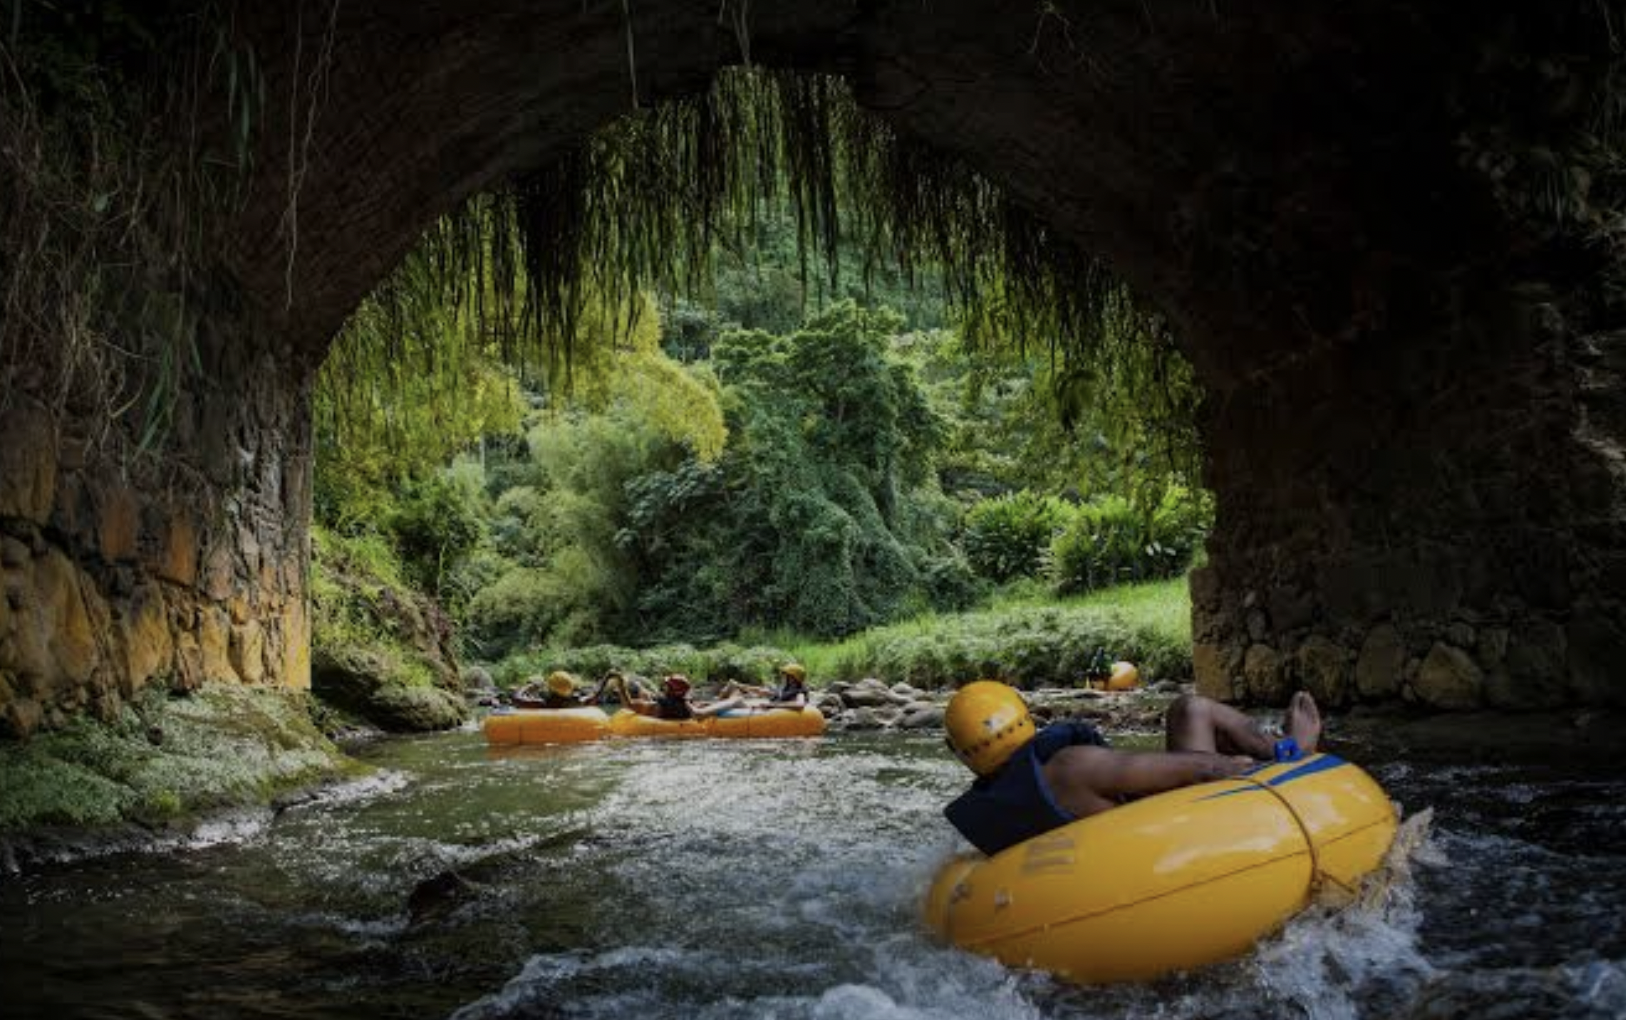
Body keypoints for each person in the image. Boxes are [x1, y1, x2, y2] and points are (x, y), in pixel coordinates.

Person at [942, 681, 1323, 856]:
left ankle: (1277, 745)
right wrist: (1266, 768)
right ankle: (1291, 748)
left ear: (959, 753)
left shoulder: (1001, 803)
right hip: (1186, 847)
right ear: (1027, 718)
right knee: (1195, 709)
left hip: (1118, 860)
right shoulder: (1072, 766)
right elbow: (1207, 772)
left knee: (1187, 710)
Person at [612, 673, 743, 721]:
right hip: (685, 714)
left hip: (665, 719)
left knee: (731, 699)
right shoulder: (685, 705)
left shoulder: (656, 706)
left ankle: (731, 697)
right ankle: (730, 696)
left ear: (672, 691)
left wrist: (621, 685)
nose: (664, 688)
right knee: (725, 700)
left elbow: (628, 705)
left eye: (667, 687)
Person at [717, 662, 810, 712]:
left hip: (765, 711)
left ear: (792, 678)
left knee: (737, 699)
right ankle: (715, 705)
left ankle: (707, 711)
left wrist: (771, 705)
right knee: (735, 691)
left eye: (785, 675)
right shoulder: (784, 689)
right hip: (760, 708)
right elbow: (761, 691)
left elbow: (800, 705)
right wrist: (740, 685)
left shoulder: (799, 692)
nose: (783, 677)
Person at [512, 670, 596, 709]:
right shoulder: (575, 702)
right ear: (570, 687)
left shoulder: (542, 704)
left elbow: (516, 699)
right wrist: (606, 678)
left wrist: (529, 686)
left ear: (550, 688)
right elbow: (594, 696)